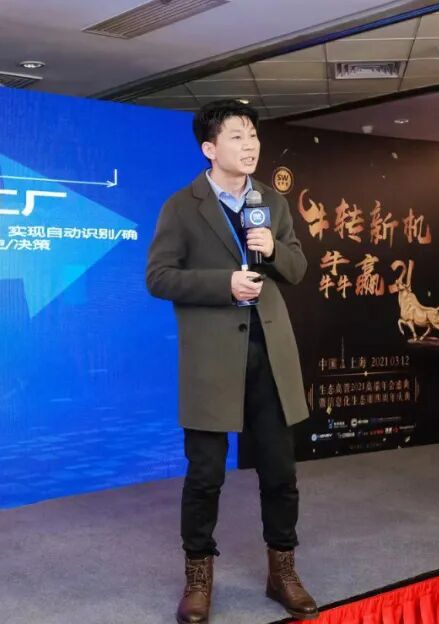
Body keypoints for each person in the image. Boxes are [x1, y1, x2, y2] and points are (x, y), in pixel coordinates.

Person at [146, 99, 318, 623]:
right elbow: (159, 277)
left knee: (280, 472)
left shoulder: (271, 201)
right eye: (237, 137)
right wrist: (224, 284)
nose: (250, 147)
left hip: (270, 353)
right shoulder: (183, 205)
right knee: (205, 475)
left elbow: (297, 267)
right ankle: (198, 578)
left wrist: (274, 248)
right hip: (212, 361)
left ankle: (282, 571)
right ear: (209, 147)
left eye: (253, 137)